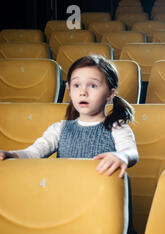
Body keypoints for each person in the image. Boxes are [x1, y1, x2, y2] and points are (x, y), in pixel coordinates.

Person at [0, 55, 138, 178]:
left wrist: (122, 156)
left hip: (100, 197)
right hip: (64, 195)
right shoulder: (60, 128)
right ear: (69, 91)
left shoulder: (117, 127)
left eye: (93, 86)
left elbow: (131, 151)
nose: (83, 92)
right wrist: (11, 155)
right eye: (76, 85)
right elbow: (34, 152)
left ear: (110, 94)